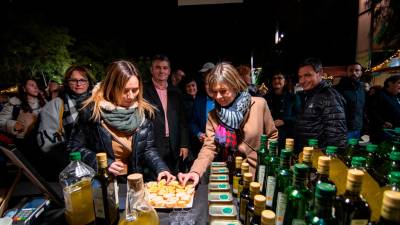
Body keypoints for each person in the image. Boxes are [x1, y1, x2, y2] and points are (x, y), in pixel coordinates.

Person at [67, 60, 175, 182]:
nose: (131, 96)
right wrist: (104, 164)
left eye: (135, 90)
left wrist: (161, 168)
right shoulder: (91, 112)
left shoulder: (143, 112)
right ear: (111, 88)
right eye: (125, 90)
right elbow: (75, 149)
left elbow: (147, 149)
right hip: (104, 182)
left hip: (134, 180)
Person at [178, 62, 278, 186]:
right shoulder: (213, 115)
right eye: (214, 92)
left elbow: (272, 137)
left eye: (223, 91)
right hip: (231, 177)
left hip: (257, 177)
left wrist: (265, 163)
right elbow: (209, 147)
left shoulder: (259, 105)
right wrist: (195, 171)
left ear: (235, 86)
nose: (218, 97)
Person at [36, 66, 94, 180]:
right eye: (73, 80)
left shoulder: (98, 101)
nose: (78, 83)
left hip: (96, 157)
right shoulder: (55, 104)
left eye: (82, 80)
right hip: (70, 161)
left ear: (89, 82)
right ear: (67, 82)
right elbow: (49, 145)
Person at [143, 54, 189, 175]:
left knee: (173, 178)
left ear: (169, 71)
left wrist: (184, 144)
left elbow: (182, 121)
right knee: (154, 179)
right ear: (151, 70)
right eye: (158, 67)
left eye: (165, 68)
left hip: (174, 143)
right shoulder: (143, 91)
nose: (161, 71)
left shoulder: (176, 92)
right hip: (152, 144)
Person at [295, 57, 347, 152]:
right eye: (300, 76)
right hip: (309, 156)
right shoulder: (309, 95)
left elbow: (337, 137)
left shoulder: (329, 96)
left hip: (319, 159)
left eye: (307, 75)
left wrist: (326, 160)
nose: (302, 81)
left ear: (320, 73)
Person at [265, 72, 301, 150]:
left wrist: (284, 121)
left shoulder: (293, 97)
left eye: (280, 78)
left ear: (285, 81)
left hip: (287, 137)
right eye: (274, 78)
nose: (276, 80)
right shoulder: (266, 98)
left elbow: (299, 116)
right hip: (270, 136)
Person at [335, 62, 366, 140]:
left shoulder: (361, 89)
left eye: (357, 70)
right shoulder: (338, 89)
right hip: (343, 129)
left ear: (361, 72)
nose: (354, 73)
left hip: (358, 128)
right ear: (346, 72)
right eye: (351, 70)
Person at [368, 75, 400, 143]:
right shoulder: (379, 95)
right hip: (383, 134)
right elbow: (371, 111)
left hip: (394, 132)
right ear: (390, 83)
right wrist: (382, 122)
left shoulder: (395, 96)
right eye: (399, 83)